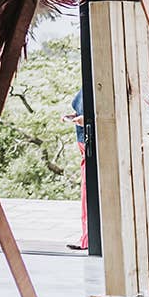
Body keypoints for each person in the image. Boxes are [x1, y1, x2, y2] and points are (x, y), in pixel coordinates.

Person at [65, 89, 89, 251]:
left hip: (89, 144)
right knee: (86, 194)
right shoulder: (85, 89)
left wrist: (84, 120)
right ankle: (86, 238)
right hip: (84, 145)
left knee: (88, 193)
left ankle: (88, 240)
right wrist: (75, 117)